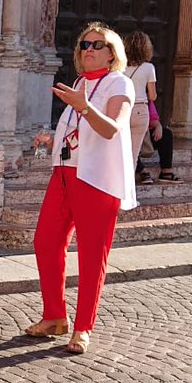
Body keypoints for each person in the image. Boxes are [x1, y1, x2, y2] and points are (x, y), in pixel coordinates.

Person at [26, 22, 137, 355]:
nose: (88, 49)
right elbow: (79, 130)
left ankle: (83, 327)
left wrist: (83, 106)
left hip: (97, 180)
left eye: (96, 45)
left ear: (112, 53)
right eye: (84, 44)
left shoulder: (120, 83)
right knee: (45, 241)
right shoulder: (79, 82)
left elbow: (111, 129)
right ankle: (55, 316)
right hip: (64, 173)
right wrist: (54, 138)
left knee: (91, 255)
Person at [123, 31, 157, 184]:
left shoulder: (120, 67)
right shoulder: (149, 68)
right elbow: (153, 96)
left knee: (118, 149)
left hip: (122, 109)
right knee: (133, 153)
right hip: (139, 111)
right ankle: (127, 189)